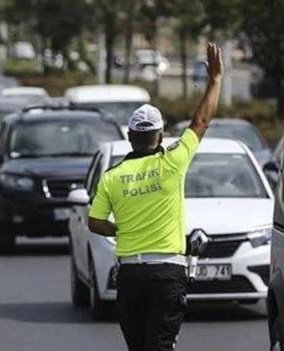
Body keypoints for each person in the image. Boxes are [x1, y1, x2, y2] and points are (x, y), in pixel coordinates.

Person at [87, 43, 224, 351]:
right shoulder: (173, 163)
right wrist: (215, 80)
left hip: (130, 276)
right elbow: (201, 122)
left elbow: (95, 222)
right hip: (167, 274)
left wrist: (119, 229)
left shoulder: (112, 177)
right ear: (161, 136)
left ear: (129, 137)